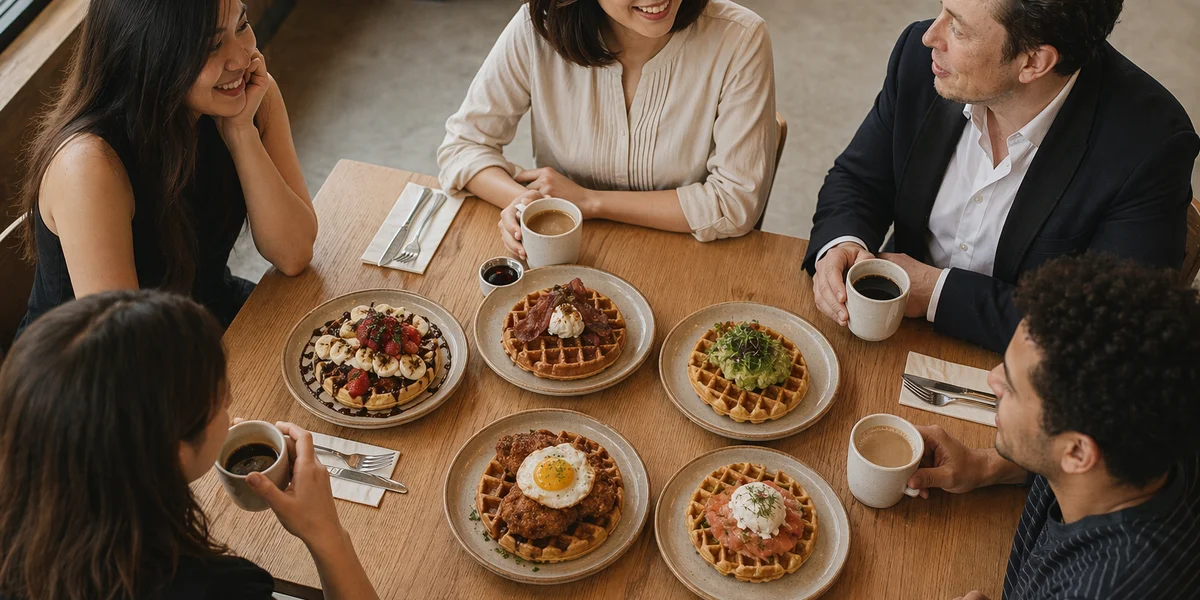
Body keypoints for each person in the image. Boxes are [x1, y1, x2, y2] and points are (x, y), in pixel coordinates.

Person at [803, 0, 1199, 353]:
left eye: (958, 28)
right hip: (896, 333)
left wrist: (937, 292)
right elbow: (860, 179)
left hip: (1028, 376)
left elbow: (1112, 329)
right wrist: (842, 242)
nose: (930, 36)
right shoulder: (922, 61)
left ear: (1033, 62)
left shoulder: (1149, 146)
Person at [0, 290, 378, 600]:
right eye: (220, 400)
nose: (232, 403)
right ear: (173, 454)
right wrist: (327, 535)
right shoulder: (220, 588)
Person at [904, 254, 1200, 600]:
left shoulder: (1100, 588)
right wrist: (984, 465)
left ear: (1077, 452)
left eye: (1012, 386)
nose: (992, 379)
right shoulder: (1148, 431)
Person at [16, 0, 317, 333]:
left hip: (203, 315)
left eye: (242, 26)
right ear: (149, 54)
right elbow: (126, 345)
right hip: (101, 355)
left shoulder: (250, 95)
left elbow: (294, 253)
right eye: (212, 45)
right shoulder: (89, 166)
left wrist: (241, 133)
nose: (242, 59)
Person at [437, 0, 777, 258]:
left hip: (687, 257)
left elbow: (734, 204)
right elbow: (463, 147)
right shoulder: (536, 29)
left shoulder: (740, 37)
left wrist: (590, 201)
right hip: (566, 253)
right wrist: (525, 202)